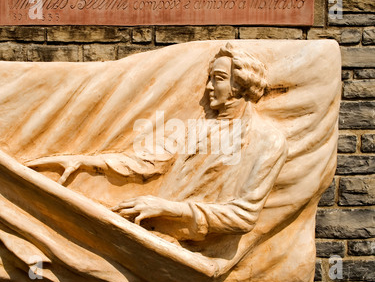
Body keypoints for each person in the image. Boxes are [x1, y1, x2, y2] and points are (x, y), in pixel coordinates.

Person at [27, 43, 288, 242]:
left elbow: (243, 216)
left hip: (192, 253)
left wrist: (168, 208)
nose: (208, 87)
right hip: (150, 235)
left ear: (242, 84)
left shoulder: (268, 141)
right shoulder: (195, 128)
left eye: (217, 78)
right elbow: (145, 161)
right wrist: (85, 162)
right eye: (209, 78)